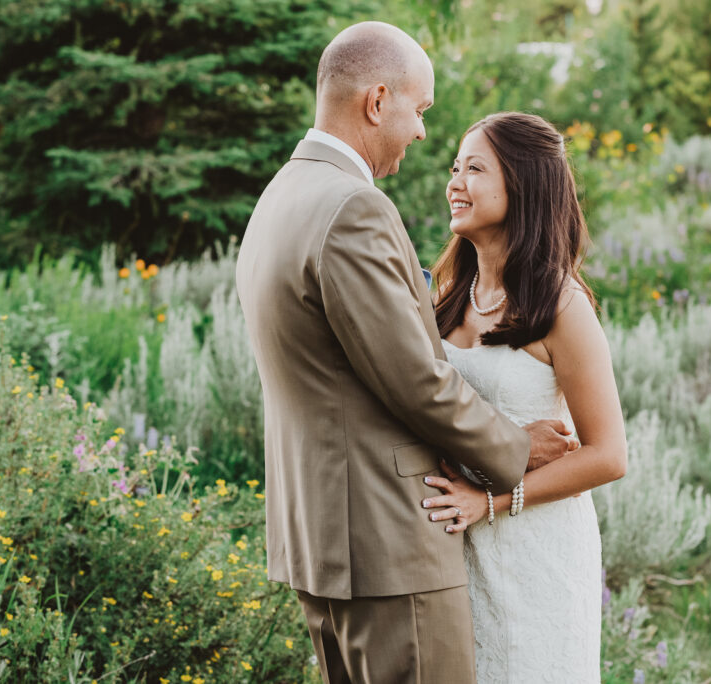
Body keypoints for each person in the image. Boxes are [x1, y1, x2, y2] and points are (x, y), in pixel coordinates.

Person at [234, 23, 574, 684]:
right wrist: (514, 448)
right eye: (419, 111)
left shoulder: (282, 196)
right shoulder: (353, 207)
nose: (422, 132)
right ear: (376, 101)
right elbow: (417, 381)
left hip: (321, 538)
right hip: (386, 543)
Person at [421, 112, 629, 683]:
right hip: (453, 546)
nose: (454, 182)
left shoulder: (563, 306)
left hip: (535, 546)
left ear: (523, 184)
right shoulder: (446, 293)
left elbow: (608, 454)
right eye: (454, 166)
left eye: (475, 168)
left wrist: (488, 502)